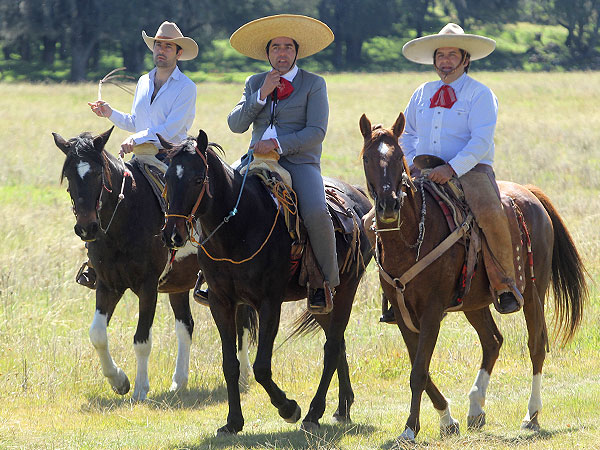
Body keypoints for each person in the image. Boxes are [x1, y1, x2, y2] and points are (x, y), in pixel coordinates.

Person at [399, 23, 523, 315]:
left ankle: (504, 285)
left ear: (465, 59)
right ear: (434, 60)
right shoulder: (421, 93)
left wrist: (452, 168)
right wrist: (414, 162)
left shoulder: (480, 94)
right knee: (380, 217)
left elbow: (481, 141)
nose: (446, 60)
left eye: (452, 54)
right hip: (423, 171)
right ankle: (394, 290)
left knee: (490, 213)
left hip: (471, 171)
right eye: (440, 55)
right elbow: (407, 133)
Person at [225, 14, 338, 312]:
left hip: (298, 162)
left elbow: (316, 132)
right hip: (255, 161)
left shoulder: (314, 84)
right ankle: (211, 275)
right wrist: (260, 95)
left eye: (288, 47)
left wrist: (277, 144)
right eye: (276, 47)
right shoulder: (254, 82)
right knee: (218, 195)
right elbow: (235, 125)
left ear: (297, 52)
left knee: (316, 212)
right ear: (267, 53)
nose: (282, 53)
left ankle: (325, 282)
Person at [78, 21, 198, 289]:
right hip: (141, 157)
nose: (161, 50)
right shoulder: (144, 81)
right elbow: (136, 121)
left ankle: (201, 262)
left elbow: (171, 129)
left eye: (168, 46)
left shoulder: (186, 87)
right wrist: (110, 113)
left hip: (171, 157)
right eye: (158, 45)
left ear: (179, 53)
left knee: (185, 202)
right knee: (107, 195)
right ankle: (96, 262)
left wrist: (136, 139)